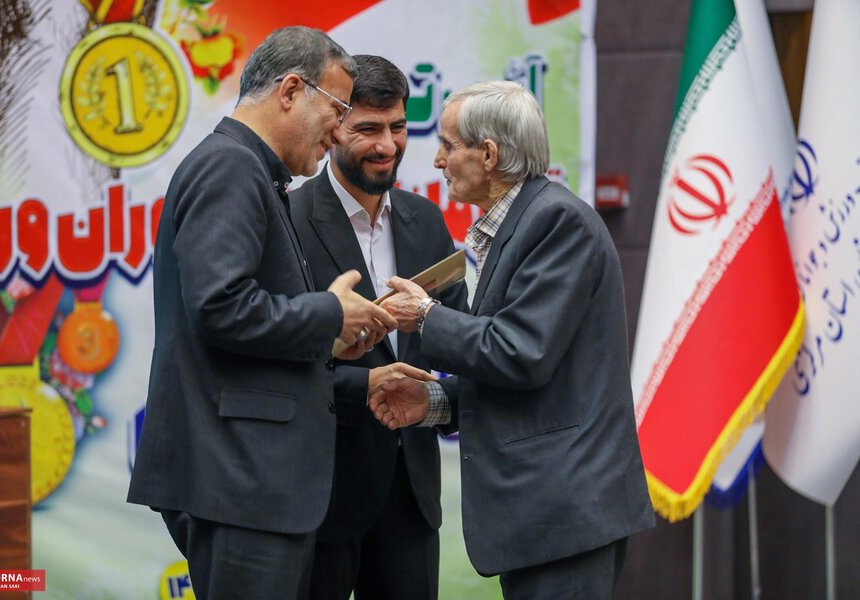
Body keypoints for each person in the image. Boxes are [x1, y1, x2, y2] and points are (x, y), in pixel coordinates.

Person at [127, 27, 397, 600]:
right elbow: (219, 306)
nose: (339, 130)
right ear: (292, 91)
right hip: (239, 478)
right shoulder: (230, 167)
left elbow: (238, 316)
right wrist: (329, 314)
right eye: (339, 108)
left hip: (249, 480)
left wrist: (330, 338)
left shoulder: (251, 169)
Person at [370, 81, 655, 599]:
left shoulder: (555, 221)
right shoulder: (523, 222)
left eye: (448, 145)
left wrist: (425, 315)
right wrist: (433, 402)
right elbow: (520, 374)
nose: (437, 161)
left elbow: (520, 353)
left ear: (489, 154)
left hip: (564, 514)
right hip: (545, 517)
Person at [290, 55, 468, 600]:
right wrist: (365, 385)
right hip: (318, 497)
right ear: (332, 128)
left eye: (398, 127)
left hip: (411, 498)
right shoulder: (287, 219)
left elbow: (461, 337)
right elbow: (276, 357)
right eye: (368, 129)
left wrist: (440, 400)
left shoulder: (426, 219)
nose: (387, 145)